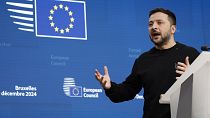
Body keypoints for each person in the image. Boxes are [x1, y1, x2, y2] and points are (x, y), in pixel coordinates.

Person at [94, 8, 200, 118]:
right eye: (150, 24)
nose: (153, 27)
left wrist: (194, 76)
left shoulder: (189, 54)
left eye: (159, 22)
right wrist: (110, 87)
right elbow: (128, 90)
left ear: (173, 29)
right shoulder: (143, 60)